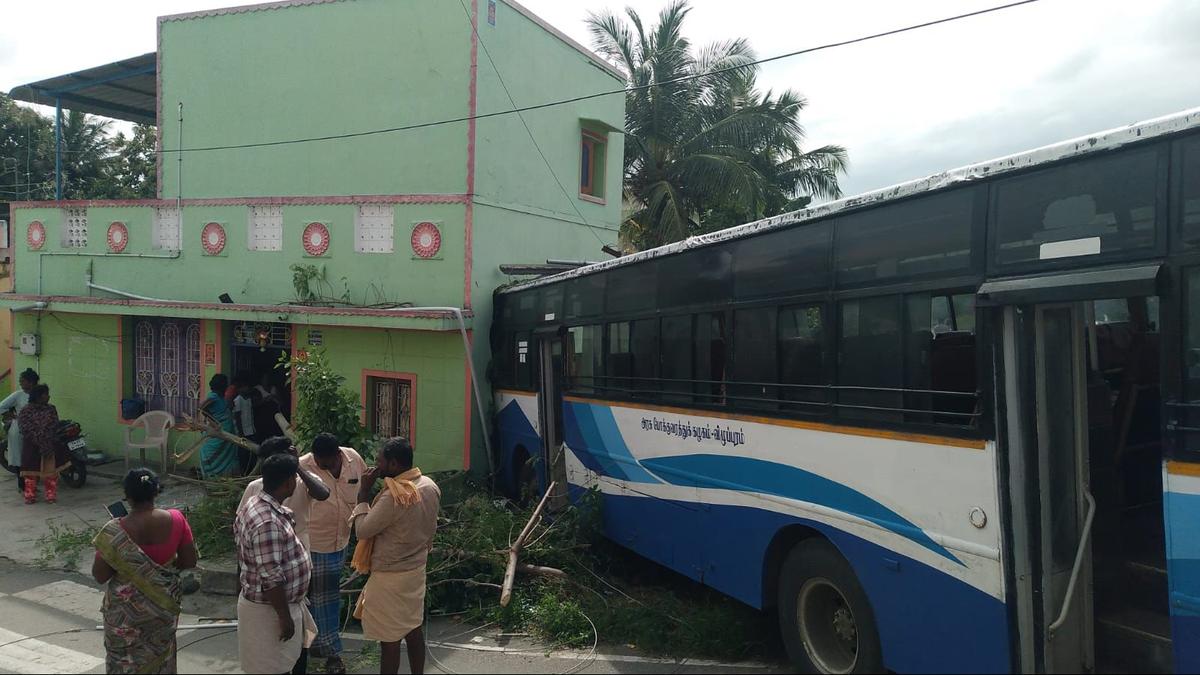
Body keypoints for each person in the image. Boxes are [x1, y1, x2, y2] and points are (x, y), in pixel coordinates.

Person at [238, 436, 330, 675]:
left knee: (297, 637)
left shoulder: (298, 481)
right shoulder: (257, 494)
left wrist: (295, 466)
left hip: (293, 568)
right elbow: (270, 573)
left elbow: (323, 493)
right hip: (273, 584)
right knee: (275, 647)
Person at [92, 469, 198, 674]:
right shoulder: (176, 519)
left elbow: (100, 575)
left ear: (127, 496)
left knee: (124, 665)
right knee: (161, 662)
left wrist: (125, 561)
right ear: (156, 491)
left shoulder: (114, 530)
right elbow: (189, 561)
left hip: (124, 617)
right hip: (162, 610)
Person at [350, 437, 441, 675]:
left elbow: (362, 530)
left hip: (390, 576)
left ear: (393, 465)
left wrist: (364, 493)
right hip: (416, 570)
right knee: (413, 629)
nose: (375, 465)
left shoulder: (394, 496)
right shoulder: (430, 485)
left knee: (389, 641)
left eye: (379, 460)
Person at [303, 433, 369, 674]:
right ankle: (329, 653)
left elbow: (364, 492)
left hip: (341, 541)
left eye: (327, 462)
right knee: (320, 599)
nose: (322, 465)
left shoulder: (353, 459)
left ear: (337, 455)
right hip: (313, 543)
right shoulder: (302, 466)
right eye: (319, 462)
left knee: (326, 598)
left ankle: (316, 646)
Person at [18, 384, 69, 504]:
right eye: (46, 394)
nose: (48, 396)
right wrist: (38, 437)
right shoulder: (26, 410)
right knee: (30, 472)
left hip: (49, 445)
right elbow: (24, 427)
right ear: (38, 396)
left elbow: (54, 424)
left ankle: (50, 495)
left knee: (51, 472)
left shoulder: (51, 409)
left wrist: (46, 437)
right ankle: (30, 495)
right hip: (32, 445)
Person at [0, 369, 39, 492]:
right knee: (19, 458)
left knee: (32, 458)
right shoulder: (18, 395)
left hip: (35, 430)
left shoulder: (39, 393)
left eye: (23, 381)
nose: (20, 383)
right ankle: (22, 485)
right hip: (19, 430)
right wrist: (9, 415)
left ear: (31, 382)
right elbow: (1, 406)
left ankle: (32, 484)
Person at [199, 374, 238, 478]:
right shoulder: (213, 397)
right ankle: (212, 477)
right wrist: (212, 420)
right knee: (211, 454)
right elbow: (202, 408)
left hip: (226, 433)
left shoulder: (221, 397)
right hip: (218, 433)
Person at [232, 375, 260, 474]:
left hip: (251, 430)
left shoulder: (248, 399)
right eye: (244, 386)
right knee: (243, 455)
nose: (247, 388)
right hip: (243, 432)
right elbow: (238, 417)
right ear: (240, 388)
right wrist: (241, 432)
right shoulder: (238, 400)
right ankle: (244, 473)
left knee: (252, 454)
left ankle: (250, 472)